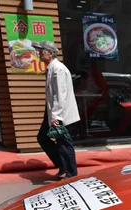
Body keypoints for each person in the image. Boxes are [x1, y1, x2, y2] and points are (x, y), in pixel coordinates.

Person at [35, 40, 80, 179]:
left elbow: (61, 94)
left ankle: (71, 173)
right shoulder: (51, 68)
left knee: (64, 143)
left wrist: (56, 116)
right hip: (51, 111)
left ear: (49, 53)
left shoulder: (58, 69)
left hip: (60, 113)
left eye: (40, 50)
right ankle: (62, 165)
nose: (38, 53)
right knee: (43, 137)